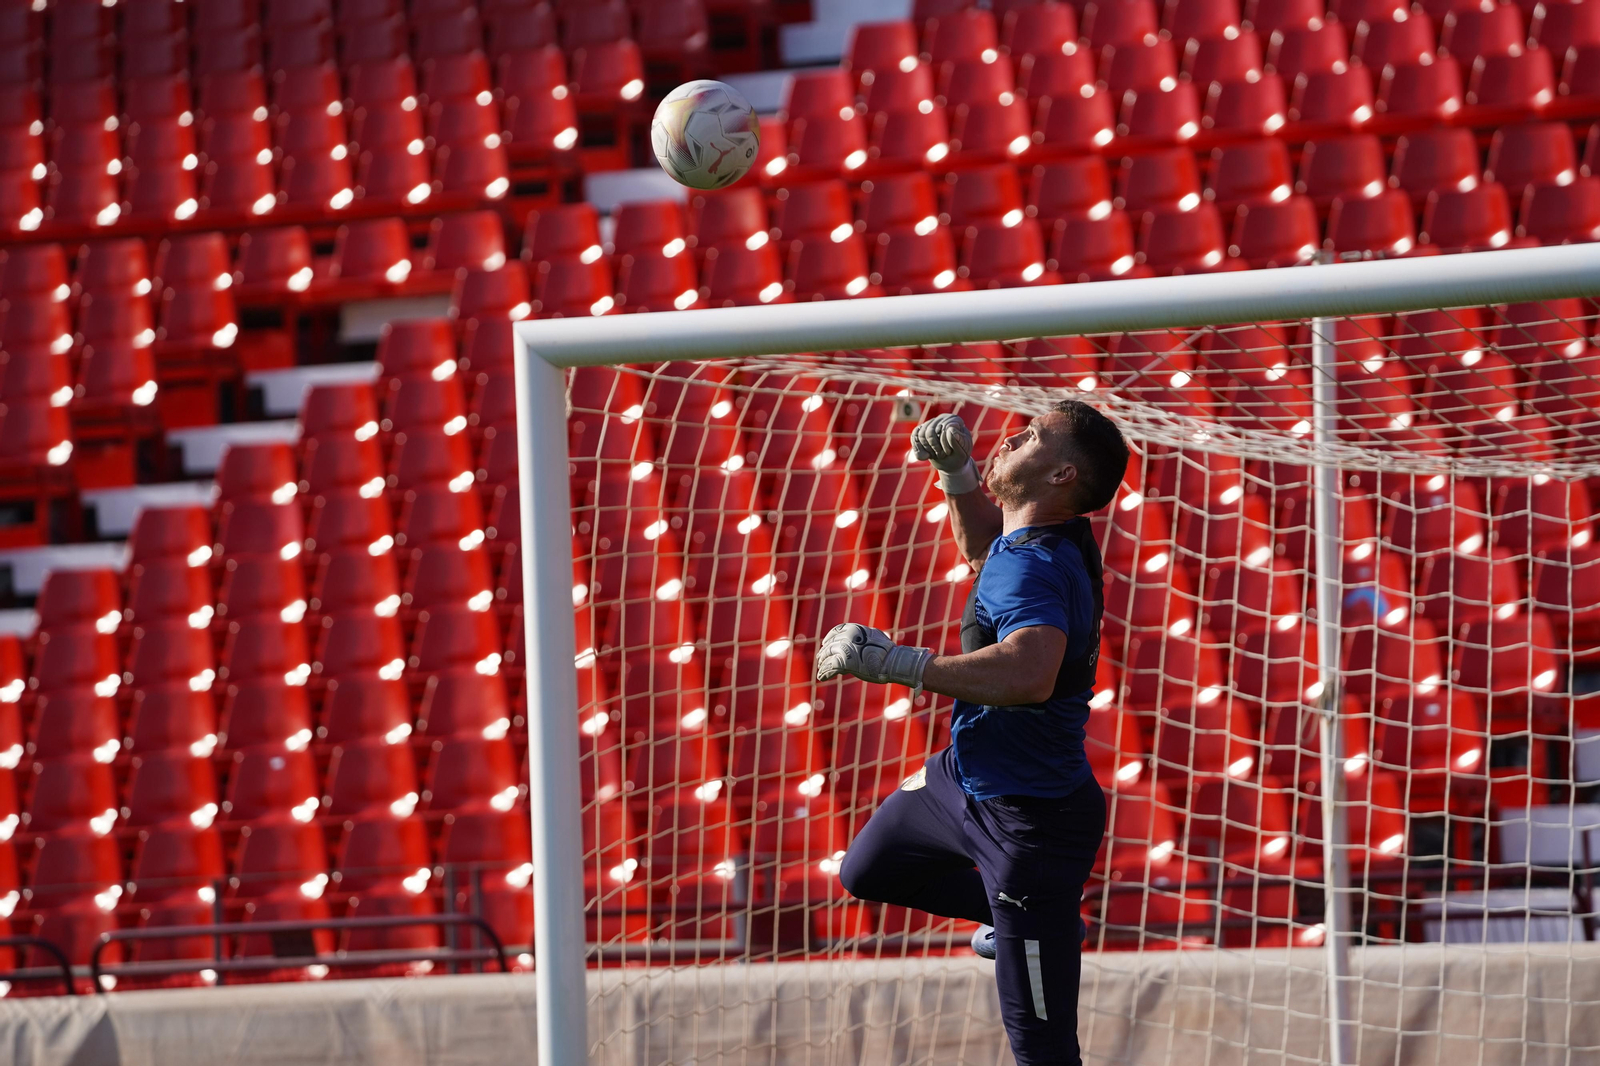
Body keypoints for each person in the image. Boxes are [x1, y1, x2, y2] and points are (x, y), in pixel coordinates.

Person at [815, 399, 1129, 1066]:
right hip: (962, 778)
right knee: (867, 869)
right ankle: (1038, 920)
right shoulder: (1043, 538)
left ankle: (1039, 917)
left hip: (1029, 826)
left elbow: (1031, 672)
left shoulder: (1036, 564)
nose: (1012, 436)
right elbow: (988, 550)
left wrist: (896, 664)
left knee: (1042, 1051)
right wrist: (957, 475)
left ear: (1062, 475)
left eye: (1033, 436)